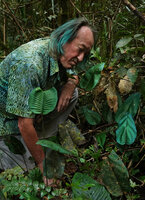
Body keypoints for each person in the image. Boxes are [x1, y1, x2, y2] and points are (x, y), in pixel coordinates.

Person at [0, 18, 95, 184]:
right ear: (65, 39)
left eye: (85, 54)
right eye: (80, 50)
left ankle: (42, 140)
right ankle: (31, 150)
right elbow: (24, 123)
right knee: (24, 173)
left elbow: (73, 72)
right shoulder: (30, 64)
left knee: (73, 94)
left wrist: (71, 83)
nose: (80, 58)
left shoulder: (58, 51)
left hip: (27, 116)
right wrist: (43, 165)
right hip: (7, 123)